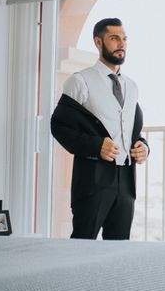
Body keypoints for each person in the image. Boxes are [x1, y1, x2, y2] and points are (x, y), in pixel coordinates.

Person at [51, 18, 149, 240]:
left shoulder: (131, 86)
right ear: (98, 42)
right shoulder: (80, 81)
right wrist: (96, 146)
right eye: (114, 38)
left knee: (119, 250)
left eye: (124, 39)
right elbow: (59, 126)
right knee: (82, 247)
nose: (121, 43)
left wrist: (143, 147)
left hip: (125, 183)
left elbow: (130, 130)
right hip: (92, 182)